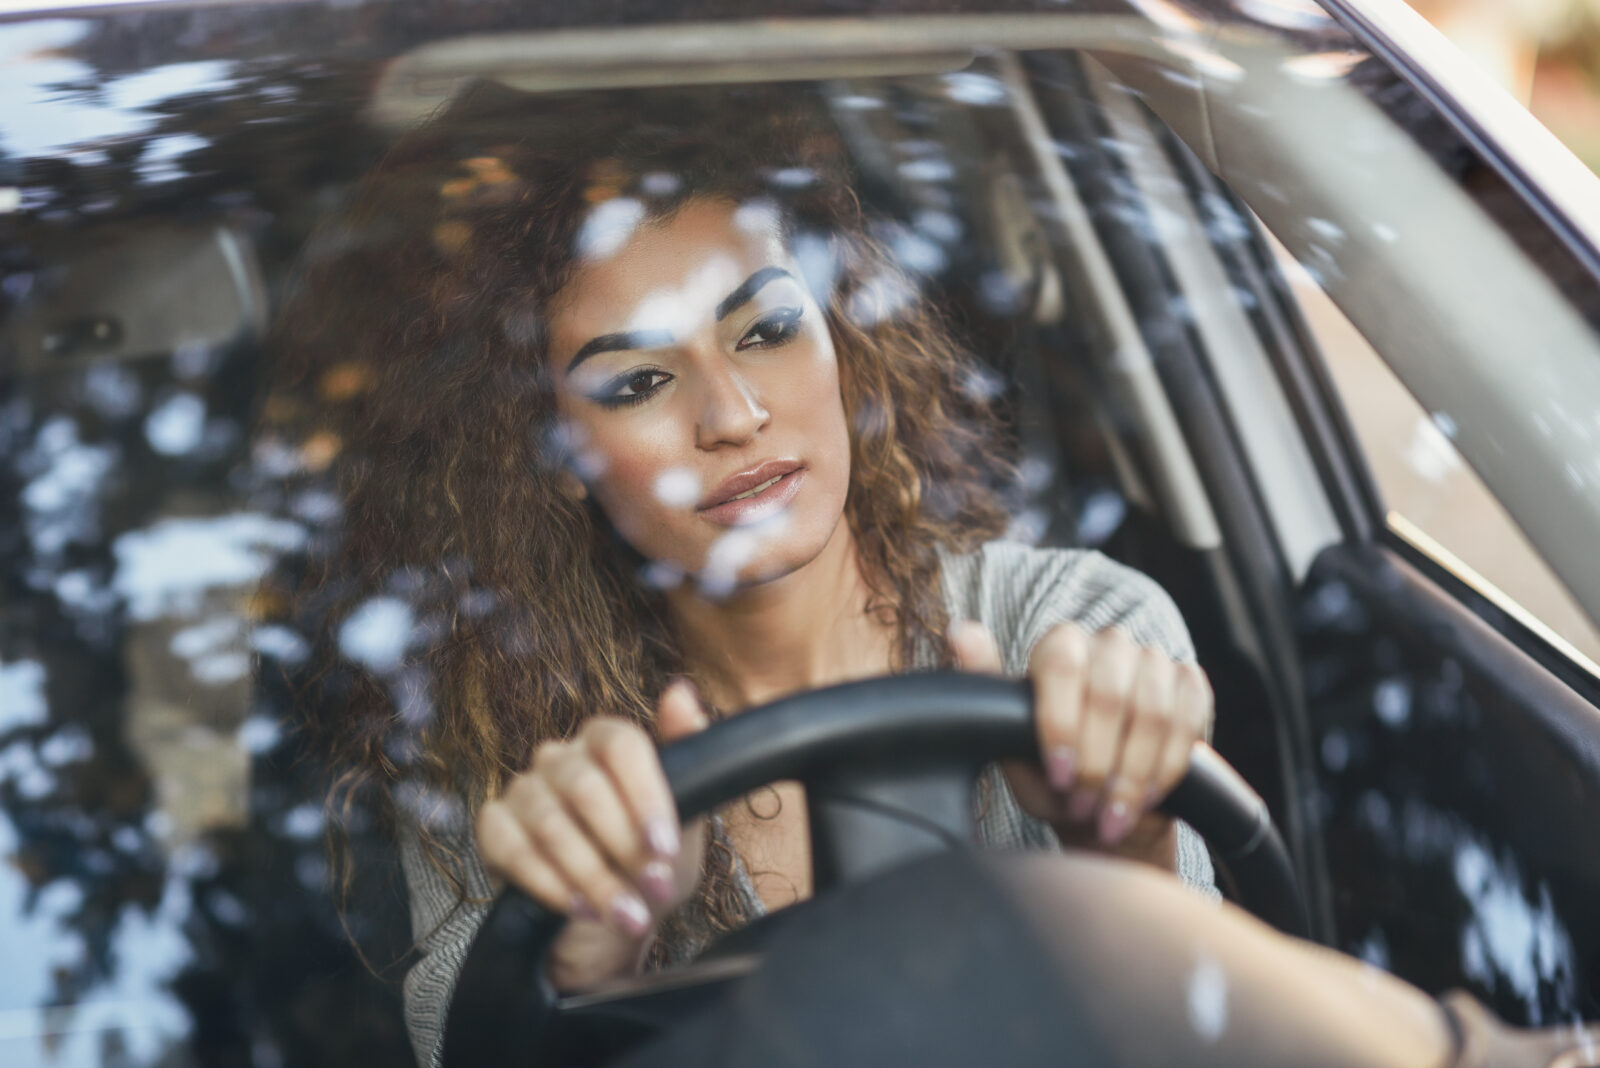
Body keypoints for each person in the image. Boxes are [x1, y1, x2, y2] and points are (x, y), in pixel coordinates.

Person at [271, 83, 1216, 1068]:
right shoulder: (511, 773)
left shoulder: (1074, 632)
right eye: (637, 382)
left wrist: (1129, 852)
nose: (730, 414)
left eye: (763, 329)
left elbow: (1214, 1037)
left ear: (842, 333)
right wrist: (592, 962)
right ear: (548, 457)